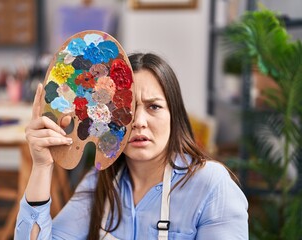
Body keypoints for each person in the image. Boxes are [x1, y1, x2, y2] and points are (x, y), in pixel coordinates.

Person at [15, 53, 248, 239]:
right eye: (123, 109)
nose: (137, 122)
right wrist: (42, 165)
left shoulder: (211, 185)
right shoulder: (98, 184)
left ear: (174, 115)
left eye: (154, 107)